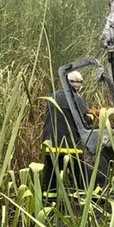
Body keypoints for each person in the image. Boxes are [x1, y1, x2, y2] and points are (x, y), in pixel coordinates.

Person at [41, 70, 92, 201]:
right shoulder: (75, 98)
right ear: (79, 85)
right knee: (78, 173)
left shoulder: (53, 96)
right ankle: (83, 200)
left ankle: (50, 202)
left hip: (50, 143)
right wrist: (93, 115)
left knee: (52, 174)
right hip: (70, 145)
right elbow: (85, 120)